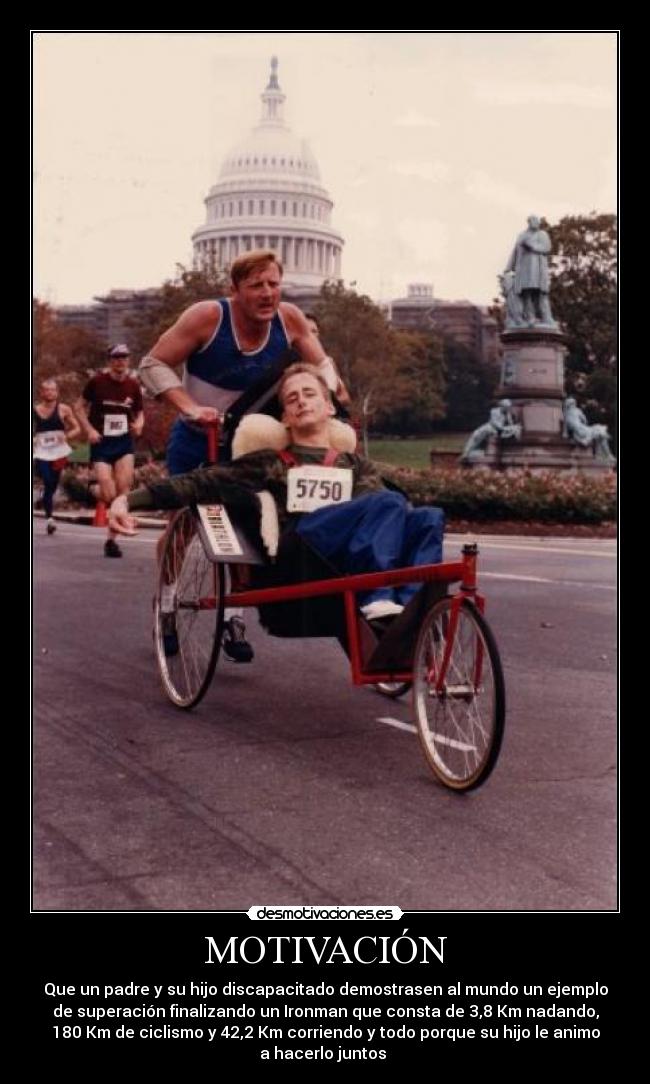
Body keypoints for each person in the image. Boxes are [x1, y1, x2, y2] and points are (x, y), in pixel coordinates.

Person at [109, 364, 444, 624]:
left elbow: (379, 510)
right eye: (291, 398)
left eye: (310, 393)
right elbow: (199, 483)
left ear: (329, 407)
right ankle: (377, 597)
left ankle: (412, 609)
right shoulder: (270, 462)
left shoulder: (355, 465)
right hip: (298, 551)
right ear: (285, 417)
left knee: (428, 517)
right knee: (388, 501)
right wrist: (128, 499)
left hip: (345, 556)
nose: (301, 401)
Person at [138, 248, 348, 661]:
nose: (267, 293)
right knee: (184, 525)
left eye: (273, 283)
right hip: (199, 436)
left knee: (248, 524)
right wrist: (189, 408)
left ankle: (233, 611)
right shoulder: (207, 318)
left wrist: (335, 393)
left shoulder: (289, 319)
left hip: (249, 441)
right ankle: (166, 603)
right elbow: (152, 365)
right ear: (235, 290)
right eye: (256, 286)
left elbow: (322, 363)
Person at [77, 344, 144, 558]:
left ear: (128, 360)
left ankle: (111, 541)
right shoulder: (97, 382)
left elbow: (140, 412)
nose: (120, 361)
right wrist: (89, 430)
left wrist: (140, 424)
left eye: (124, 357)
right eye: (116, 358)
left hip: (124, 443)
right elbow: (78, 406)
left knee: (123, 492)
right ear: (110, 361)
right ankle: (93, 489)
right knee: (108, 493)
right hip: (102, 442)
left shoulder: (133, 385)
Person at [33, 377, 82, 534]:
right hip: (41, 451)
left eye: (52, 390)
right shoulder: (35, 409)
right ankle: (50, 518)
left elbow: (77, 428)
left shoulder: (63, 409)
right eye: (46, 390)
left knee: (52, 484)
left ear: (57, 392)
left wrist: (67, 436)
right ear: (41, 392)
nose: (49, 393)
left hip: (59, 452)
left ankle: (48, 515)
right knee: (47, 480)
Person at [503, 214, 556, 327]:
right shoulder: (522, 235)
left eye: (538, 221)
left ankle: (546, 318)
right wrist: (508, 267)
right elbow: (515, 252)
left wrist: (531, 246)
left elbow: (547, 248)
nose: (537, 223)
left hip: (537, 270)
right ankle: (530, 317)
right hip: (524, 270)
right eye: (534, 221)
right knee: (526, 293)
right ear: (530, 222)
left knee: (540, 294)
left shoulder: (542, 234)